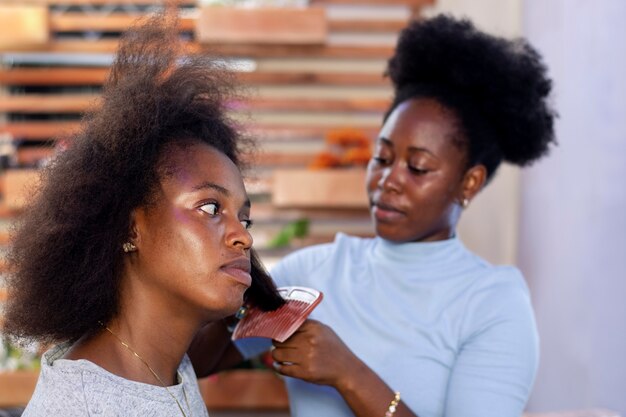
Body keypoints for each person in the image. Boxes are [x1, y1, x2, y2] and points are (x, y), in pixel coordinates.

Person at [190, 14, 556, 417]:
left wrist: (350, 375)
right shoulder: (311, 272)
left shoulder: (493, 302)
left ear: (468, 183)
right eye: (381, 158)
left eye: (417, 168)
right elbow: (197, 363)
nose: (389, 180)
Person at [2, 14, 283, 417]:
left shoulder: (166, 370)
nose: (243, 237)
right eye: (210, 208)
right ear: (130, 227)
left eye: (245, 218)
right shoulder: (82, 407)